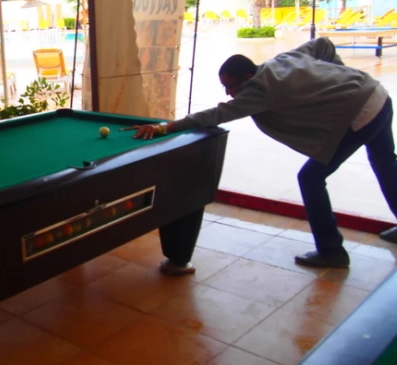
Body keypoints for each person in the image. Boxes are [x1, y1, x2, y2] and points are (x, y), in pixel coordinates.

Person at [134, 37, 397, 268]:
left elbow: (217, 114)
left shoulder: (259, 90)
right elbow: (323, 45)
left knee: (311, 179)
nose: (228, 93)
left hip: (361, 114)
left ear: (247, 78)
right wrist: (342, 79)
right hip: (377, 95)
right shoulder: (282, 60)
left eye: (231, 87)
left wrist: (168, 126)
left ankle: (331, 251)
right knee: (384, 161)